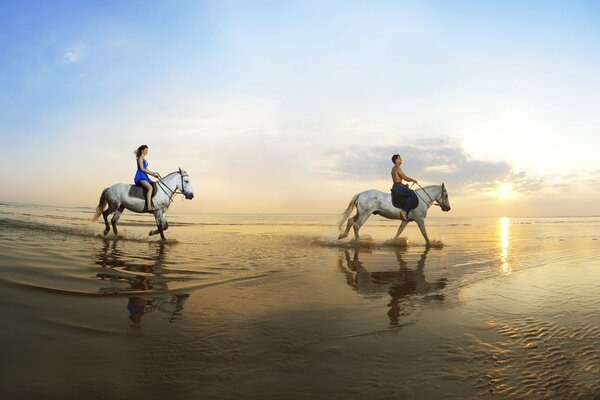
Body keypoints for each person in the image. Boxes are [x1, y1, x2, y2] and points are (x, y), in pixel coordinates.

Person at [391, 154, 418, 220]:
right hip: (398, 186)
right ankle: (404, 211)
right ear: (396, 160)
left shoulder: (394, 168)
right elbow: (405, 177)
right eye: (399, 158)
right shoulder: (397, 168)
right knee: (412, 194)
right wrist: (413, 180)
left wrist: (404, 185)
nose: (401, 160)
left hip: (398, 185)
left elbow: (399, 179)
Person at [134, 145, 160, 211]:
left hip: (145, 177)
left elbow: (147, 170)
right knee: (150, 188)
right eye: (146, 150)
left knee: (154, 187)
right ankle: (149, 207)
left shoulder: (145, 160)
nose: (147, 152)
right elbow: (142, 169)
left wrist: (154, 175)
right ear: (142, 151)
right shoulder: (140, 158)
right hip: (140, 177)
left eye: (147, 151)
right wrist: (152, 173)